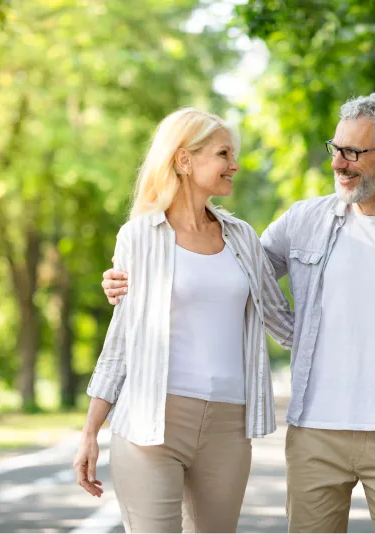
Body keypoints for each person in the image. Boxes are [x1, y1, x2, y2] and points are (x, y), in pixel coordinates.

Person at [102, 92, 375, 534]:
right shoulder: (303, 221)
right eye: (335, 149)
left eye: (354, 153)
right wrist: (132, 277)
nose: (339, 163)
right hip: (314, 435)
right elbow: (231, 275)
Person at [76, 108, 294, 534]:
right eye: (223, 153)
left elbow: (284, 324)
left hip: (230, 428)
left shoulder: (243, 238)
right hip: (151, 422)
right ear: (184, 160)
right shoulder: (139, 237)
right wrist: (90, 432)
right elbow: (120, 343)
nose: (235, 164)